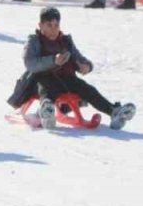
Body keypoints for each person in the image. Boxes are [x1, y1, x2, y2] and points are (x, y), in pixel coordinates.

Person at [8, 8, 136, 130]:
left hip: (67, 79)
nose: (53, 29)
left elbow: (78, 57)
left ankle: (114, 112)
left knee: (88, 90)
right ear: (40, 25)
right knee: (46, 87)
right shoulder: (34, 41)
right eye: (49, 25)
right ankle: (46, 111)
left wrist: (86, 66)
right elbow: (30, 63)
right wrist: (53, 60)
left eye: (56, 25)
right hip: (42, 79)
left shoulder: (65, 41)